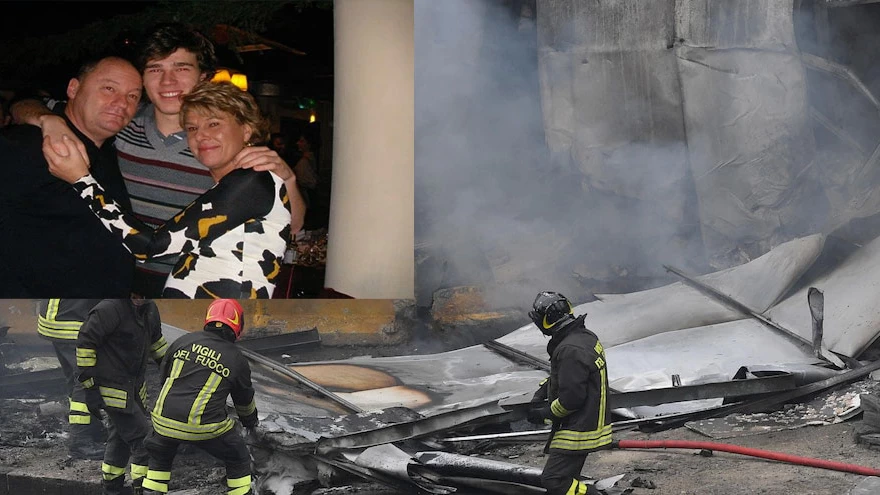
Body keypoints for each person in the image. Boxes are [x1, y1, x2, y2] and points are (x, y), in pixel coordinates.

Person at [13, 23, 306, 298]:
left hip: (191, 291)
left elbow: (290, 227)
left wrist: (289, 180)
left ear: (204, 76)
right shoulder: (119, 121)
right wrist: (48, 120)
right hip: (117, 286)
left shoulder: (222, 147)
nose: (168, 81)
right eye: (155, 69)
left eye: (181, 68)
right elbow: (22, 105)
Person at [46, 81, 292, 299]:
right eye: (192, 128)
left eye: (213, 124)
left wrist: (81, 180)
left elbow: (150, 247)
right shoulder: (236, 184)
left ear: (246, 130)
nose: (201, 135)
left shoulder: (251, 181)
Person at [0, 56, 140, 297]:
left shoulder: (112, 150)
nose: (121, 103)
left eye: (133, 96)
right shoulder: (27, 145)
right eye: (109, 88)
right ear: (73, 89)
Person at [142, 299, 258, 495]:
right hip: (204, 428)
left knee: (160, 457)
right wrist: (250, 422)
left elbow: (164, 376)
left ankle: (152, 491)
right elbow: (244, 400)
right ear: (238, 325)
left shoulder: (183, 341)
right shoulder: (236, 358)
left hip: (163, 422)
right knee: (237, 456)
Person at [76, 298, 168, 495]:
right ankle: (142, 488)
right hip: (112, 390)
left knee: (120, 439)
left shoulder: (150, 310)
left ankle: (111, 488)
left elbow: (156, 343)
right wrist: (90, 388)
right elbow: (85, 345)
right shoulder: (109, 309)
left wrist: (171, 368)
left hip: (132, 389)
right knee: (144, 440)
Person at [526, 291, 612, 495]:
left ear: (546, 321)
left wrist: (545, 414)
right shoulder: (583, 337)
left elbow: (571, 399)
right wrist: (543, 389)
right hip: (589, 420)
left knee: (554, 480)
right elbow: (570, 376)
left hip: (580, 427)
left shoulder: (569, 349)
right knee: (568, 479)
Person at [38, 299, 106, 460]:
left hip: (55, 320)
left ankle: (91, 427)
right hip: (72, 323)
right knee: (86, 378)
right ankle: (80, 440)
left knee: (75, 378)